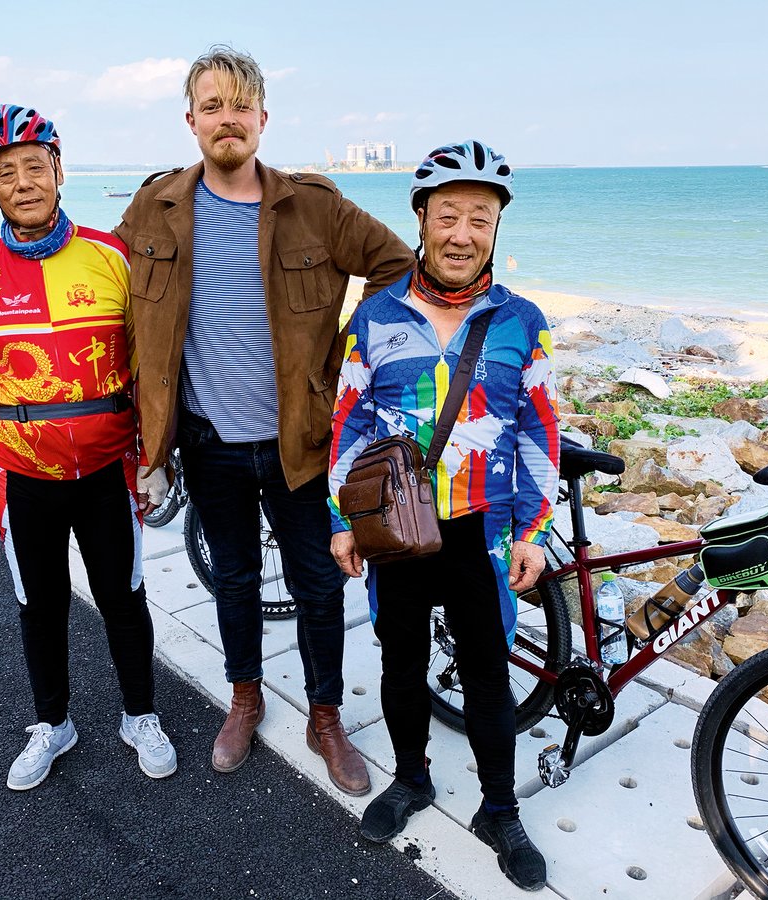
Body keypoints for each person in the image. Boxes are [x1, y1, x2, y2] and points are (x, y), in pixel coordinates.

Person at [115, 46, 414, 796]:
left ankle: (325, 716)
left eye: (240, 107)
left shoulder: (311, 204)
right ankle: (243, 700)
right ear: (191, 121)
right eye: (212, 107)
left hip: (302, 443)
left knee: (318, 585)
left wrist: (343, 362)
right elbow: (119, 305)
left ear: (262, 120)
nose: (227, 120)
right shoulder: (152, 208)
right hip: (207, 439)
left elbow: (398, 267)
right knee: (237, 579)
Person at [327, 141, 560, 891]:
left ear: (497, 230)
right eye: (449, 215)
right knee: (402, 663)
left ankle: (499, 808)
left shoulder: (521, 321)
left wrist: (533, 533)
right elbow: (349, 423)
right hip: (395, 527)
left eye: (481, 220)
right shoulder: (376, 315)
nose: (463, 234)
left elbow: (540, 430)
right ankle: (412, 779)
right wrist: (341, 517)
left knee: (489, 676)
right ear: (422, 219)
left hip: (484, 530)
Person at [0, 104, 176, 791]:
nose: (23, 182)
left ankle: (140, 715)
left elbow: (150, 370)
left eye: (35, 167)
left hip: (110, 470)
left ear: (59, 171)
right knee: (37, 604)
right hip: (22, 475)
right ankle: (54, 723)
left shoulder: (111, 256)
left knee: (123, 596)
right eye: (5, 173)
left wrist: (158, 457)